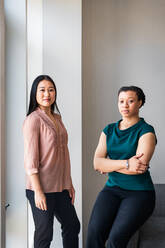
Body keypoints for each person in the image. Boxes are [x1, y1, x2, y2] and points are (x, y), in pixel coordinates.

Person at [86, 86, 157, 248]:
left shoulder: (146, 131)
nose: (125, 105)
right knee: (94, 234)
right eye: (121, 101)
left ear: (139, 103)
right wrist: (125, 163)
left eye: (130, 101)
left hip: (140, 194)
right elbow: (96, 163)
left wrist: (108, 165)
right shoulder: (108, 130)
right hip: (112, 189)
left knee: (115, 241)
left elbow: (137, 168)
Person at [23, 75, 80, 248]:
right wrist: (38, 191)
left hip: (61, 187)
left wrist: (68, 183)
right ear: (35, 93)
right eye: (42, 90)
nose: (47, 94)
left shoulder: (57, 118)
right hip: (41, 188)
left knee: (72, 225)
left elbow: (64, 155)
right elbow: (30, 159)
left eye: (51, 89)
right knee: (44, 233)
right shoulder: (33, 120)